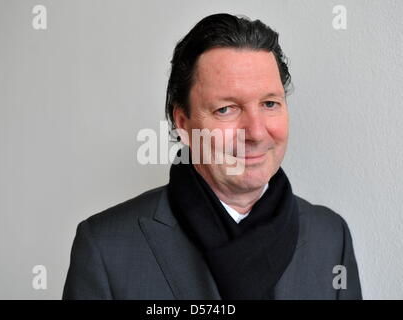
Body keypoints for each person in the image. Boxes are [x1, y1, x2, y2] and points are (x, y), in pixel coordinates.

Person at [62, 13, 362, 300]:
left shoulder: (332, 237)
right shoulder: (105, 247)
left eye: (270, 103)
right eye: (226, 109)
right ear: (183, 123)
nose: (256, 132)